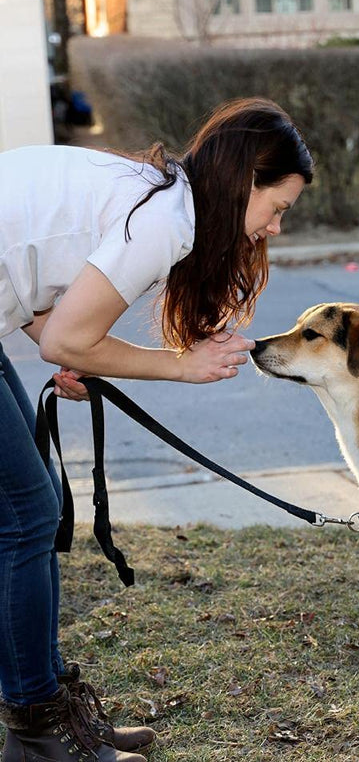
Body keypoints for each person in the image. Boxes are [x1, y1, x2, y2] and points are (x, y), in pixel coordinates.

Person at [0, 97, 313, 761]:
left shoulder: (162, 198)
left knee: (34, 512)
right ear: (242, 184)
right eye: (277, 207)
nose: (276, 228)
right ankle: (37, 730)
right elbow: (64, 335)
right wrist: (179, 365)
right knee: (26, 520)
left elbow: (36, 279)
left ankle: (47, 710)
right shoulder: (166, 223)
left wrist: (72, 348)